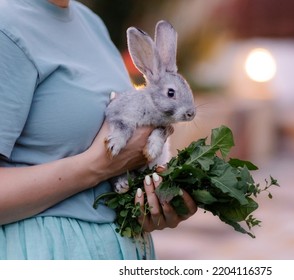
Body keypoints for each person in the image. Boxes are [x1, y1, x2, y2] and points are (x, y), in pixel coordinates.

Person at [0, 0, 197, 260]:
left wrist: (152, 204)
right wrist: (99, 164)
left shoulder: (90, 22)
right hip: (47, 254)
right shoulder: (7, 26)